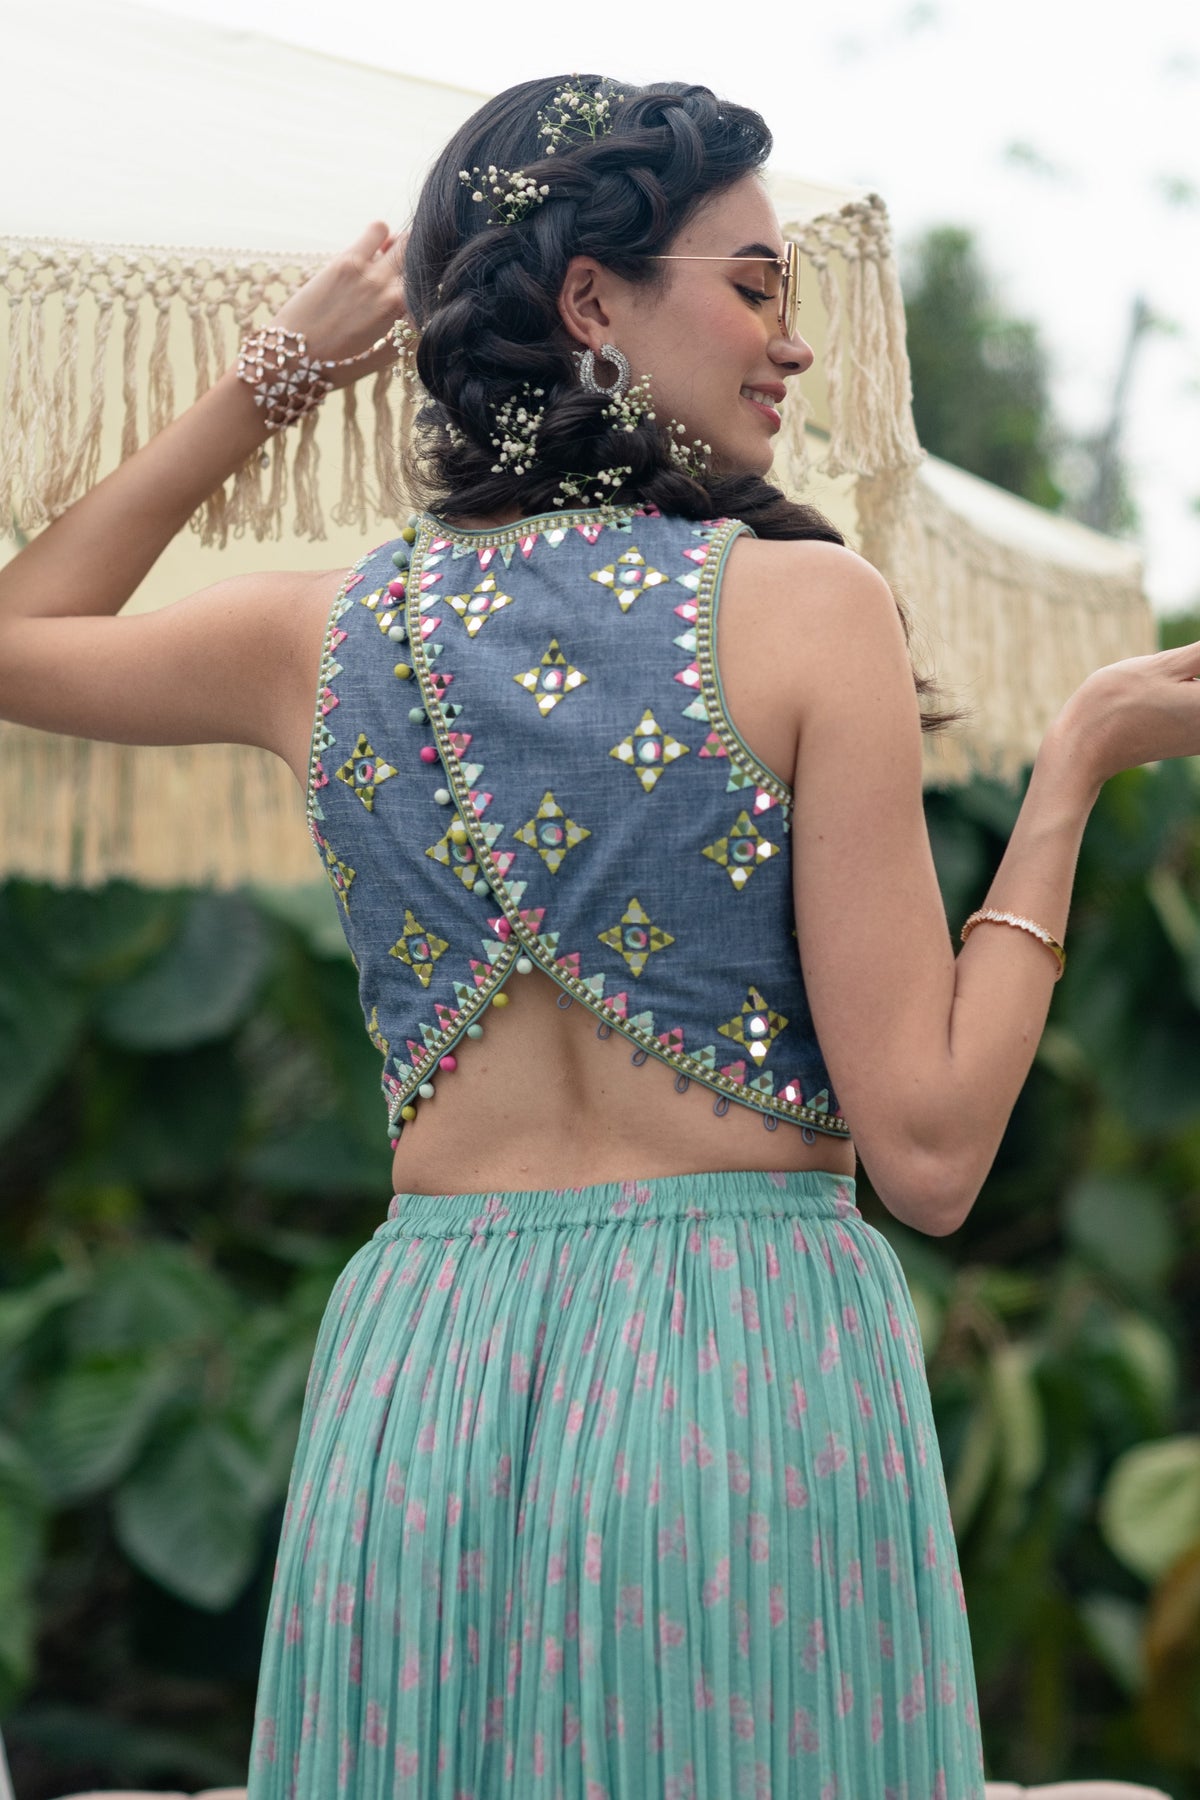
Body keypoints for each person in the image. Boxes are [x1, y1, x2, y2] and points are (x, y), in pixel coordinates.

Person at [1, 71, 1197, 1800]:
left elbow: (18, 640)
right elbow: (934, 1155)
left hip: (421, 1393)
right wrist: (1077, 760)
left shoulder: (319, 637)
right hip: (747, 1391)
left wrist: (279, 379)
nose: (793, 342)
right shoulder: (810, 610)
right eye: (757, 286)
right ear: (591, 302)